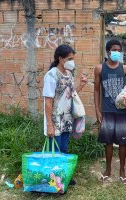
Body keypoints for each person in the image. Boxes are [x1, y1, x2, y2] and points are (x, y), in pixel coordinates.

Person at [43, 44, 88, 184]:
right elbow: (48, 102)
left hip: (66, 119)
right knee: (54, 152)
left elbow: (70, 95)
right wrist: (49, 125)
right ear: (61, 59)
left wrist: (81, 85)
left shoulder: (68, 74)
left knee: (63, 149)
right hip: (55, 121)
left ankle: (62, 178)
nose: (72, 61)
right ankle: (54, 183)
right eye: (70, 58)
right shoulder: (51, 75)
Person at [94, 39, 126, 184]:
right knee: (108, 142)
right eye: (114, 50)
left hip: (122, 112)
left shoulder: (125, 69)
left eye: (119, 50)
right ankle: (108, 169)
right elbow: (96, 90)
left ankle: (122, 170)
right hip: (107, 111)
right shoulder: (99, 69)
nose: (117, 52)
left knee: (122, 143)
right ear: (108, 51)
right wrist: (97, 110)